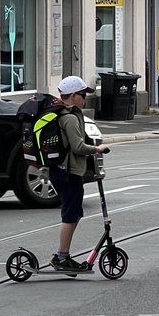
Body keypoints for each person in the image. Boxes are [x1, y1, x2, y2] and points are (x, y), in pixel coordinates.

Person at [49, 76, 110, 272]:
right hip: (67, 172)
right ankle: (61, 257)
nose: (85, 99)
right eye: (83, 95)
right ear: (73, 95)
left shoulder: (67, 113)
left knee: (74, 213)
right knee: (70, 214)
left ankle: (63, 256)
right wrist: (97, 149)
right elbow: (77, 147)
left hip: (65, 171)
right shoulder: (68, 118)